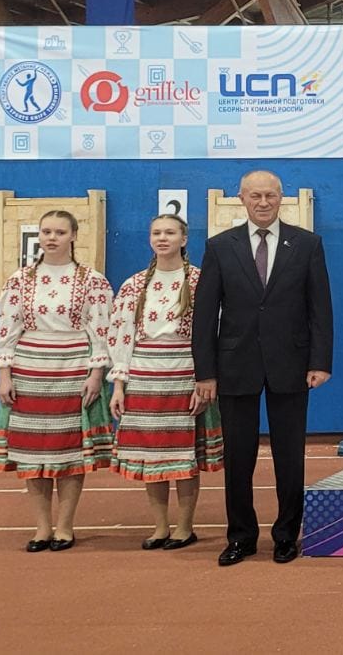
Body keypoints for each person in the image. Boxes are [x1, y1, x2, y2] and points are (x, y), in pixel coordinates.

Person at [194, 170, 333, 567]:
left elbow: (320, 308)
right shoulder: (220, 247)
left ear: (281, 198)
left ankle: (287, 535)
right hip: (235, 365)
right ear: (242, 199)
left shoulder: (307, 244)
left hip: (291, 364)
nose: (263, 202)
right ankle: (241, 536)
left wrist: (320, 362)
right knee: (238, 457)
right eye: (255, 196)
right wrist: (205, 372)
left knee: (290, 456)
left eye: (270, 195)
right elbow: (204, 315)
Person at [0, 210, 115, 551]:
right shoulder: (19, 280)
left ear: (73, 236)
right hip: (30, 370)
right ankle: (42, 527)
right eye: (46, 231)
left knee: (70, 452)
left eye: (59, 232)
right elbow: (7, 327)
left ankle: (65, 526)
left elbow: (102, 329)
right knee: (32, 453)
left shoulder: (92, 280)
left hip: (73, 368)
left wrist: (96, 373)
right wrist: (5, 374)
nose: (51, 238)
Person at [108, 214, 223, 551]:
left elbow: (213, 332)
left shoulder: (200, 281)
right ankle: (159, 526)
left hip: (185, 374)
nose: (162, 238)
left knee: (184, 457)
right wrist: (119, 385)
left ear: (184, 239)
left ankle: (184, 527)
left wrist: (204, 379)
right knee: (151, 456)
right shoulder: (134, 284)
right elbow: (121, 334)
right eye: (156, 232)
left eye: (170, 233)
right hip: (143, 376)